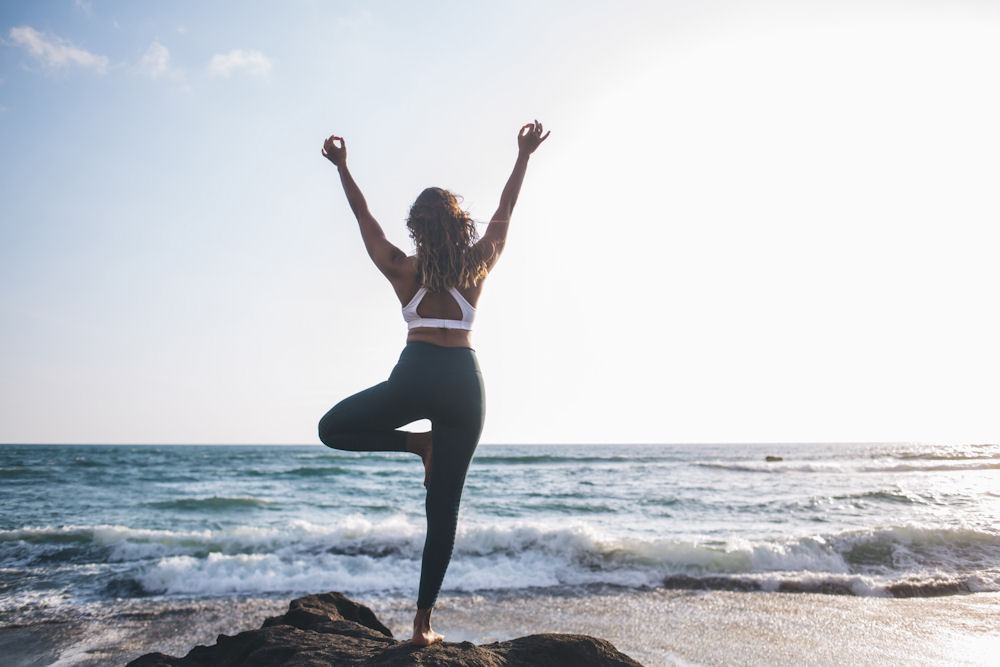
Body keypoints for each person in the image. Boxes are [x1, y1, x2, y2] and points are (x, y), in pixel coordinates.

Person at [317, 120, 549, 646]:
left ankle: (414, 444)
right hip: (465, 387)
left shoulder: (404, 269)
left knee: (331, 429)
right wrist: (523, 156)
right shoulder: (478, 264)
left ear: (418, 228)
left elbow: (366, 222)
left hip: (416, 377)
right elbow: (506, 211)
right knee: (443, 510)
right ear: (459, 224)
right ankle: (423, 626)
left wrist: (344, 169)